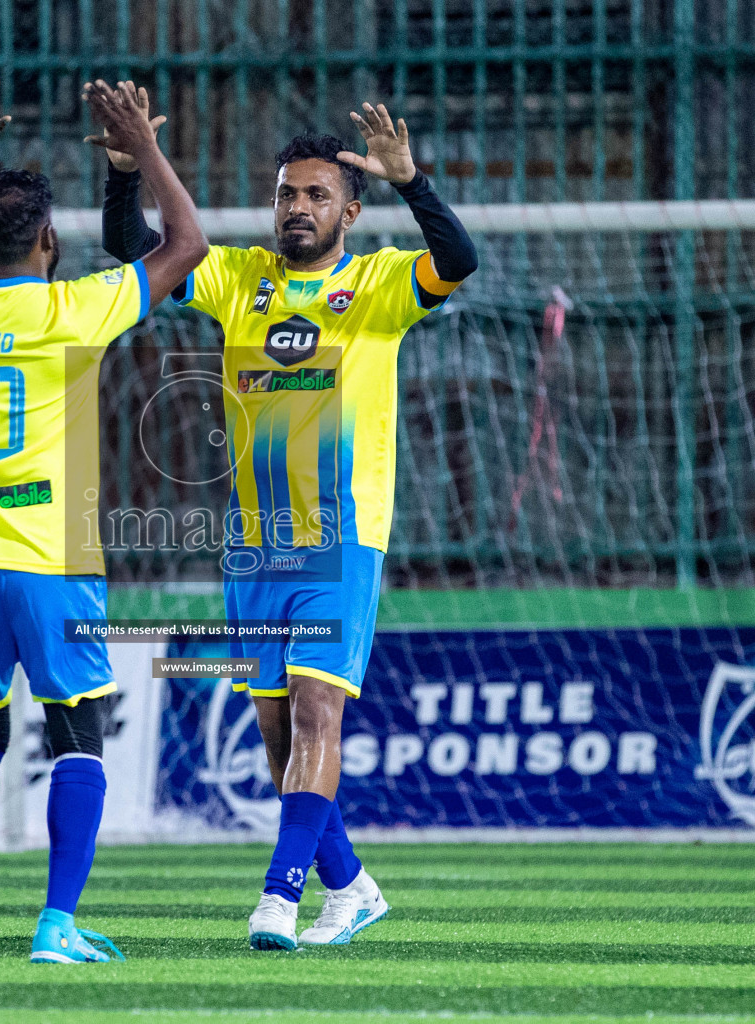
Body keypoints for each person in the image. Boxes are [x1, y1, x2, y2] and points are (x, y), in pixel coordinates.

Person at [99, 100, 478, 949]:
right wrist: (126, 170)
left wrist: (411, 181)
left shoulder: (379, 283)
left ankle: (279, 895)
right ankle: (352, 887)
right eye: (284, 195)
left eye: (314, 196)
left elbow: (459, 259)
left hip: (341, 539)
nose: (296, 208)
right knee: (277, 737)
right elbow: (132, 253)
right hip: (254, 549)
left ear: (349, 210)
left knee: (315, 717)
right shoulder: (238, 280)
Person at [0, 71, 207, 963]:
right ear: (46, 237)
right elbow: (185, 243)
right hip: (54, 551)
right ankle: (55, 923)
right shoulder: (77, 309)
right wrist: (140, 148)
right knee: (79, 726)